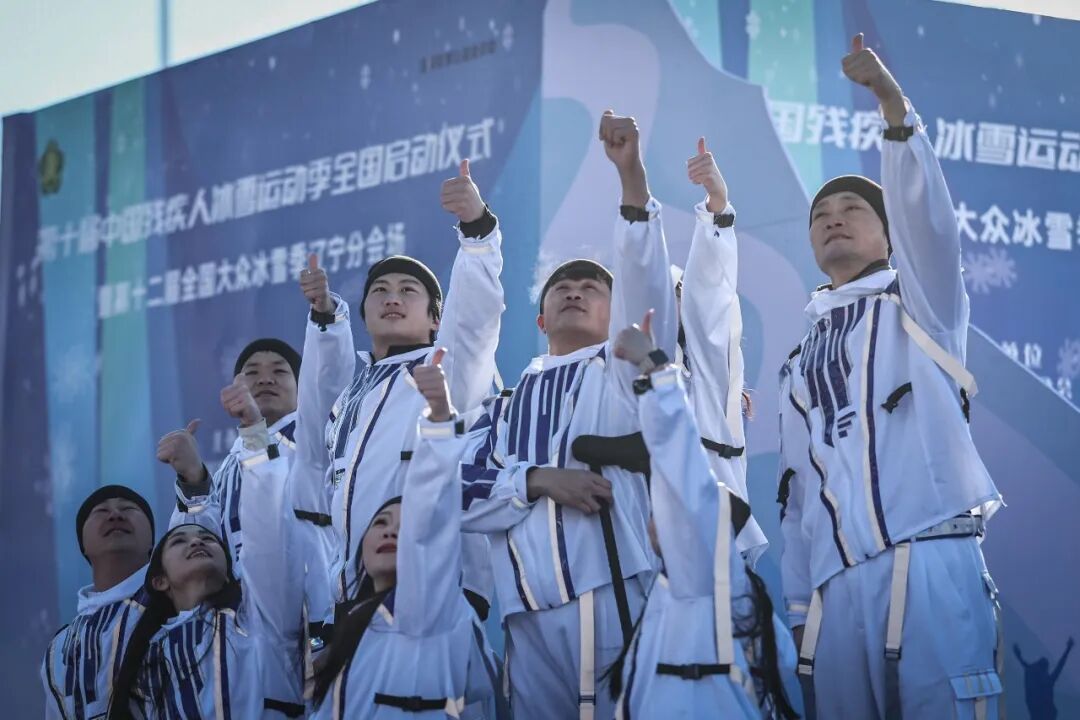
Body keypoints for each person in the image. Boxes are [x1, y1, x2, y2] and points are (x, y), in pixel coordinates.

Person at [778, 33, 1004, 719]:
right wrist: (801, 610)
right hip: (835, 590)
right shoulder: (798, 360)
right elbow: (798, 492)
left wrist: (893, 110)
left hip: (927, 556)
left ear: (887, 234)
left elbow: (930, 227)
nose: (834, 221)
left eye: (853, 211)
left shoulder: (920, 303)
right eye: (821, 217)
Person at [459, 109, 677, 719]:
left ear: (616, 312)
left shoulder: (621, 372)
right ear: (540, 318)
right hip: (526, 615)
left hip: (617, 589)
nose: (575, 291)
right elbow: (458, 490)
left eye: (592, 286)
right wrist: (538, 480)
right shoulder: (503, 406)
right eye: (562, 287)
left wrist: (631, 179)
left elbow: (646, 283)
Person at [156, 258, 355, 709]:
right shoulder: (233, 462)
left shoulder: (317, 436)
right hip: (240, 623)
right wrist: (193, 479)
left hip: (310, 603)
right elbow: (205, 538)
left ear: (301, 387)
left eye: (280, 371)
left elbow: (331, 378)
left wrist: (325, 317)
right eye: (252, 372)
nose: (265, 377)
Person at [321, 159, 503, 625]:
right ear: (364, 313)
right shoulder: (349, 398)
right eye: (380, 290)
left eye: (408, 290)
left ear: (436, 318)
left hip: (436, 586)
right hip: (353, 597)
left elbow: (474, 317)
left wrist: (477, 233)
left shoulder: (445, 366)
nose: (392, 298)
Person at [607, 315, 798, 719]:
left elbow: (687, 474)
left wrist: (656, 371)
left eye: (674, 507)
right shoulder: (665, 600)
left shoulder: (710, 587)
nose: (663, 513)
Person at [311, 349, 501, 718]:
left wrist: (439, 420)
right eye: (381, 523)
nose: (391, 532)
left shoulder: (435, 608)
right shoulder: (352, 627)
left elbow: (433, 499)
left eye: (406, 525)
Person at [108, 381, 300, 718]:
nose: (197, 541)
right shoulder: (148, 654)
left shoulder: (261, 618)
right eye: (179, 542)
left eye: (209, 540)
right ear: (159, 580)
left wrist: (254, 431)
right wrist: (191, 477)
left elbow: (268, 522)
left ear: (229, 567)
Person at [679, 136, 768, 562]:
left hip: (713, 559)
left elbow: (707, 295)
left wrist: (716, 206)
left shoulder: (707, 379)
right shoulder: (605, 382)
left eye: (673, 296)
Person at [41, 486, 155, 719]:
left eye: (128, 509)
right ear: (83, 545)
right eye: (101, 511)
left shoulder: (181, 605)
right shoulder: (58, 651)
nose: (115, 515)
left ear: (152, 542)